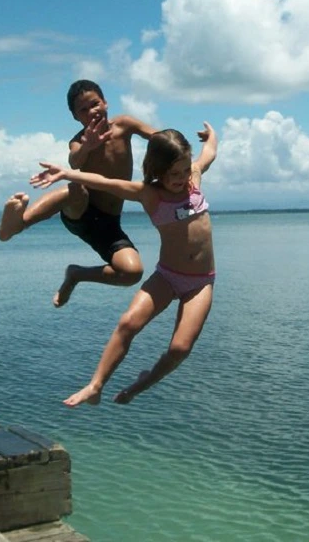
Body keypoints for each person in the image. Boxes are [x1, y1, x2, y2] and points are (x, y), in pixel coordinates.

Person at [31, 121, 218, 407]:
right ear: (157, 170)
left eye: (183, 170)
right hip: (168, 277)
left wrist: (211, 136)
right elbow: (107, 184)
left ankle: (139, 385)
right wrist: (67, 173)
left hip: (200, 282)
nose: (181, 178)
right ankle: (95, 386)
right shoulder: (150, 194)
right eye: (173, 174)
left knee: (180, 348)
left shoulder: (193, 178)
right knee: (128, 322)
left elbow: (210, 154)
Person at [0, 80, 156, 307]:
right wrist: (88, 146)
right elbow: (74, 160)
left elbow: (160, 136)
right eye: (83, 109)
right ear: (75, 117)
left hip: (108, 224)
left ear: (105, 102)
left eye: (95, 103)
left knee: (132, 273)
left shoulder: (124, 125)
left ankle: (76, 274)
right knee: (75, 187)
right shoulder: (78, 141)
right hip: (81, 211)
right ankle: (17, 224)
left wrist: (180, 158)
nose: (92, 111)